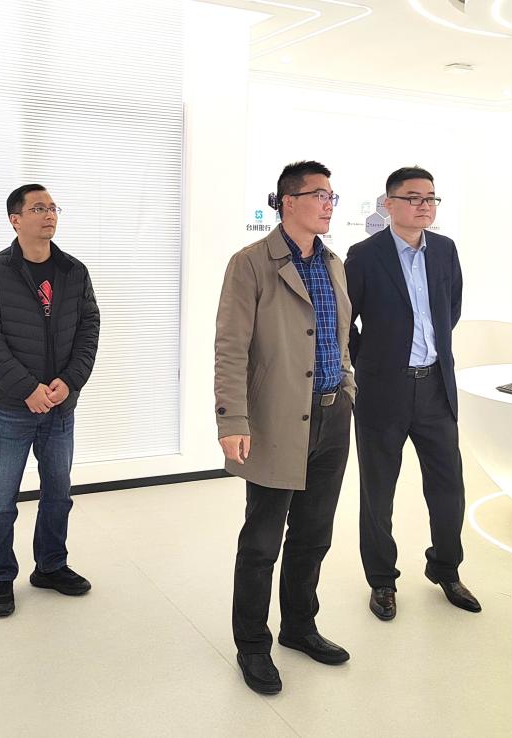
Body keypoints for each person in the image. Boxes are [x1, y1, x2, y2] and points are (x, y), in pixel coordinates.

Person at [214, 161, 356, 695]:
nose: (328, 204)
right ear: (287, 202)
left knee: (314, 534)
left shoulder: (334, 263)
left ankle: (299, 626)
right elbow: (230, 347)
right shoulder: (251, 262)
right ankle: (253, 644)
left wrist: (347, 387)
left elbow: (339, 337)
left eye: (332, 196)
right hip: (276, 417)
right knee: (262, 539)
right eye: (319, 194)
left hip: (332, 415)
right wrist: (232, 419)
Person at [345, 166, 481, 622]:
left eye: (431, 198)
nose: (425, 205)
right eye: (413, 197)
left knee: (448, 488)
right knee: (378, 492)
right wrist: (370, 362)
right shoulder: (364, 255)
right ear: (389, 204)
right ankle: (382, 580)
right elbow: (346, 321)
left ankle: (446, 568)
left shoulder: (445, 250)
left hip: (436, 388)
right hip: (384, 390)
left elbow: (450, 310)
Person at [0, 184, 100, 618]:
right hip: (12, 407)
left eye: (53, 207)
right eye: (39, 208)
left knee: (58, 494)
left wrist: (69, 381)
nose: (49, 215)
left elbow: (89, 330)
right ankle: (0, 577)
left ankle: (50, 566)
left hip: (60, 406)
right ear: (15, 219)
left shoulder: (73, 271)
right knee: (0, 500)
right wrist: (28, 388)